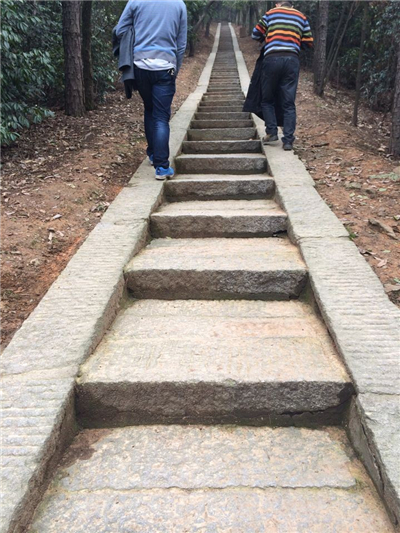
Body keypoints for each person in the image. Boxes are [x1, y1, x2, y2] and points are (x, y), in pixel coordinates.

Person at [116, 0, 187, 179]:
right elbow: (181, 44)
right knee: (161, 116)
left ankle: (153, 154)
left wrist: (138, 37)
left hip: (140, 66)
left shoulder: (136, 1)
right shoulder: (179, 4)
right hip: (165, 67)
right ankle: (161, 166)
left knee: (149, 108)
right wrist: (175, 69)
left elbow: (120, 30)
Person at [252, 1, 313, 151]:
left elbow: (255, 34)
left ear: (278, 4)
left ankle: (272, 132)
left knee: (267, 99)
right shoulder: (301, 16)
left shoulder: (271, 13)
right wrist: (294, 44)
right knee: (289, 102)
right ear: (291, 5)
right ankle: (288, 141)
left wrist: (268, 38)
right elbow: (308, 42)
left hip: (272, 59)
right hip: (292, 60)